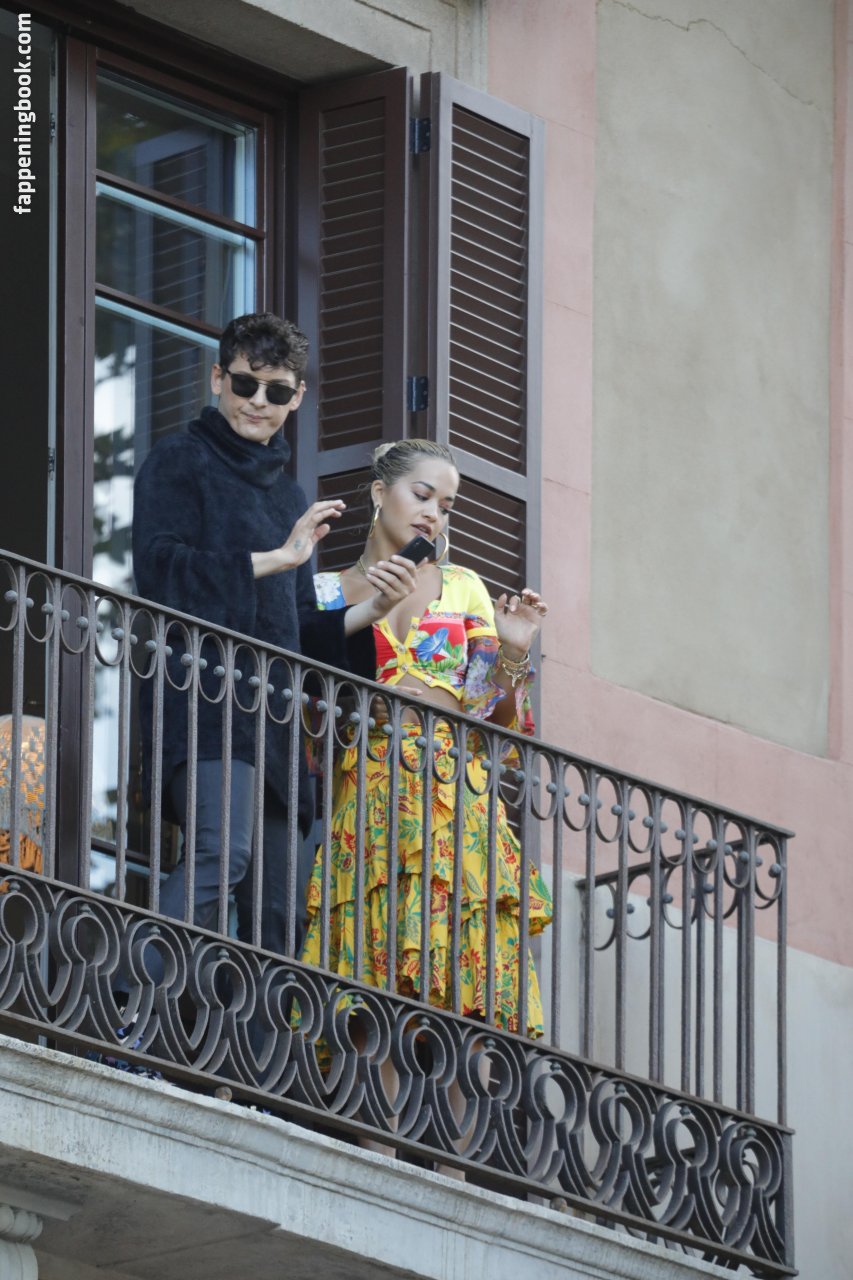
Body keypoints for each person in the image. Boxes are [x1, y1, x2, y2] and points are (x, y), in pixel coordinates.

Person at [131, 313, 418, 960]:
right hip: (204, 698)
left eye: (277, 390)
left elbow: (300, 627)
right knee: (220, 854)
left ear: (297, 397)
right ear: (217, 379)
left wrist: (375, 606)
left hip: (277, 726)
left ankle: (243, 1033)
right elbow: (159, 569)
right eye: (245, 384)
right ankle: (131, 1000)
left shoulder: (290, 498)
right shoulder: (179, 459)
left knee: (280, 915)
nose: (258, 402)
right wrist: (277, 558)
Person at [301, 439, 553, 1037]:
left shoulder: (462, 586)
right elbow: (311, 719)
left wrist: (514, 649)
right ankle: (375, 1105)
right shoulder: (326, 591)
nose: (433, 514)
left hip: (453, 793)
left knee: (465, 983)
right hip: (370, 793)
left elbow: (494, 717)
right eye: (422, 495)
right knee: (377, 974)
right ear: (378, 492)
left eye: (445, 506)